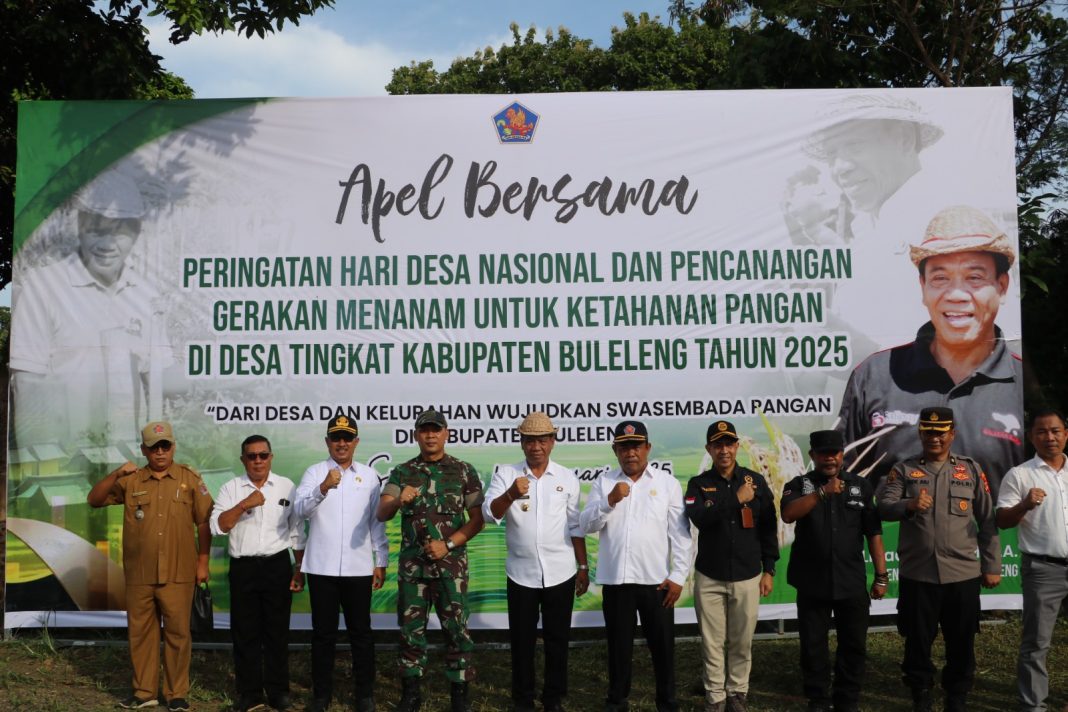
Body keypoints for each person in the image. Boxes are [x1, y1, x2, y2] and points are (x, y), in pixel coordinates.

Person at [838, 204, 1024, 493]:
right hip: (895, 539)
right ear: (923, 286)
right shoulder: (874, 376)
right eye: (940, 278)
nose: (957, 295)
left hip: (994, 539)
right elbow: (841, 480)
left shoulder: (1022, 383)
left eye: (975, 277)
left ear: (1001, 286)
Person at [11, 168, 173, 446]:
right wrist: (38, 464)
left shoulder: (146, 294)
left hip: (129, 459)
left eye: (120, 232)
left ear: (135, 232)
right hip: (66, 453)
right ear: (80, 225)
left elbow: (161, 376)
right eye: (97, 230)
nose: (108, 245)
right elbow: (27, 386)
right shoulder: (43, 287)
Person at [876, 406, 1001, 712]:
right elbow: (883, 506)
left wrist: (992, 564)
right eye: (929, 432)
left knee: (962, 643)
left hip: (962, 575)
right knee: (917, 641)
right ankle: (921, 695)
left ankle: (956, 698)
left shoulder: (970, 469)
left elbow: (987, 520)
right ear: (920, 433)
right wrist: (909, 504)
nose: (934, 438)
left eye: (941, 432)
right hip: (919, 575)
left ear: (952, 435)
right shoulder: (904, 470)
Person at [86, 421, 212, 711]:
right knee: (141, 633)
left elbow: (204, 521)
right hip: (140, 573)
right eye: (153, 447)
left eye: (165, 445)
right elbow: (94, 500)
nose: (160, 452)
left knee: (178, 634)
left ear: (173, 447)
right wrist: (117, 472)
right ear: (144, 449)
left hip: (179, 572)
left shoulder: (190, 479)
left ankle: (176, 693)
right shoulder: (131, 480)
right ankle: (144, 692)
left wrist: (203, 561)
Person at [376, 409, 485, 712]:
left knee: (457, 631)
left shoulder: (464, 471)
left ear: (446, 433)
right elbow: (381, 513)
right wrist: (399, 500)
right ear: (416, 435)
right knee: (411, 633)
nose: (430, 435)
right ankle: (411, 694)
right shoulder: (402, 472)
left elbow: (477, 521)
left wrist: (448, 545)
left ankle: (459, 696)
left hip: (452, 569)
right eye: (425, 430)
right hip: (414, 570)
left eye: (436, 430)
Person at [581, 420, 691, 712]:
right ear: (615, 449)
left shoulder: (667, 484)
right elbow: (585, 524)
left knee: (663, 648)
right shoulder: (604, 483)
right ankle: (617, 702)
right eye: (624, 447)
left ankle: (667, 703)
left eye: (636, 446)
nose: (631, 453)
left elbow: (679, 534)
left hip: (657, 583)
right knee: (618, 649)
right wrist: (609, 501)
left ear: (648, 448)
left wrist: (678, 576)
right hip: (617, 582)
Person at [482, 412, 589, 712]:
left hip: (561, 571)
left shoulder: (567, 477)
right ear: (521, 442)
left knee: (558, 639)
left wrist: (582, 566)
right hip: (521, 573)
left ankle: (553, 698)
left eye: (542, 440)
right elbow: (490, 514)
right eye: (530, 440)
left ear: (553, 441)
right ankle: (523, 699)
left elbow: (575, 526)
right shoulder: (506, 474)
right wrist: (510, 494)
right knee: (522, 640)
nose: (536, 446)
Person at [780, 430, 887, 712]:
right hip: (812, 581)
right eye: (823, 453)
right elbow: (788, 514)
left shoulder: (861, 486)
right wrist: (822, 493)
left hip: (850, 582)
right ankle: (818, 698)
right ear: (812, 455)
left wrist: (881, 575)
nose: (830, 458)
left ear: (842, 454)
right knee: (813, 646)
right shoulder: (799, 484)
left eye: (835, 452)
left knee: (854, 645)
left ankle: (847, 698)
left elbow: (873, 532)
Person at [294, 416, 388, 712]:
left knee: (361, 633)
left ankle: (365, 695)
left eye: (347, 438)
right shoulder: (315, 472)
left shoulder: (370, 476)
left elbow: (377, 522)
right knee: (323, 635)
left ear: (356, 442)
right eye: (336, 438)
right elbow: (299, 511)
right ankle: (321, 696)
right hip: (321, 567)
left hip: (359, 568)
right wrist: (323, 488)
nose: (342, 443)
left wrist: (381, 559)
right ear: (327, 442)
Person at [684, 420, 777, 712]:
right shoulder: (699, 484)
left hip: (748, 574)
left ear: (737, 446)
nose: (724, 450)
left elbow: (767, 528)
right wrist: (734, 500)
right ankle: (715, 697)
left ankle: (737, 693)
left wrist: (769, 569)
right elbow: (700, 517)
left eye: (729, 444)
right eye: (717, 444)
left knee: (741, 641)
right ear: (709, 449)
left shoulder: (755, 481)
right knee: (712, 643)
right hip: (710, 576)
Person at [210, 435, 307, 712]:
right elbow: (219, 526)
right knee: (245, 632)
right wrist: (244, 504)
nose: (258, 461)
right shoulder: (231, 488)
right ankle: (249, 693)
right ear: (243, 460)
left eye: (263, 455)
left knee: (277, 632)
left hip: (277, 564)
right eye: (251, 456)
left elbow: (297, 531)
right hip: (243, 567)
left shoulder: (287, 486)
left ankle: (278, 693)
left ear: (271, 457)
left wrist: (299, 568)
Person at [996, 409, 1068, 712]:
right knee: (1037, 643)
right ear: (1031, 437)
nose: (1049, 437)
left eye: (1055, 430)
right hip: (1043, 569)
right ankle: (1033, 706)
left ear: (1066, 433)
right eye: (1042, 432)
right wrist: (1025, 503)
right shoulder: (1020, 474)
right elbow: (1002, 519)